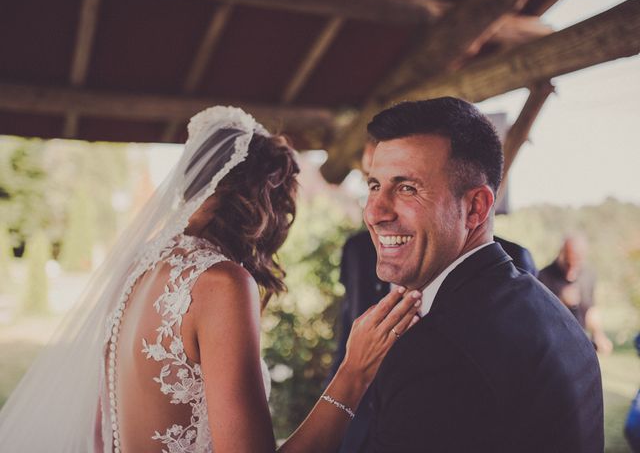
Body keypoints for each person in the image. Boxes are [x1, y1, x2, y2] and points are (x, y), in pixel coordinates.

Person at [0, 106, 422, 452]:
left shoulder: (138, 270)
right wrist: (354, 373)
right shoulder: (219, 282)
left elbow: (100, 431)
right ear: (263, 199)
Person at [361, 98, 603, 452]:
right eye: (373, 186)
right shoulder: (551, 313)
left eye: (407, 188)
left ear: (475, 207)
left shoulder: (435, 354)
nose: (375, 212)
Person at [538, 234, 613, 354]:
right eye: (567, 263)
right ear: (561, 254)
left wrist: (599, 335)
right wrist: (560, 301)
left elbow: (590, 309)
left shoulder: (588, 275)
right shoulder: (543, 276)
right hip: (553, 345)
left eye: (576, 264)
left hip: (580, 343)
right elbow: (540, 319)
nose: (570, 272)